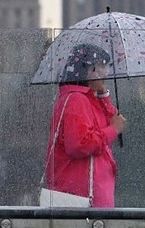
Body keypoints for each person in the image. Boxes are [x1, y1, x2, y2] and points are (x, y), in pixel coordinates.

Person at [43, 43, 127, 207]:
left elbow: (108, 120)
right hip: (82, 197)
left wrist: (104, 96)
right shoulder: (77, 99)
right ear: (85, 70)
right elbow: (79, 144)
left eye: (105, 66)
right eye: (99, 67)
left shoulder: (87, 99)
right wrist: (113, 130)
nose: (105, 72)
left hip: (89, 194)